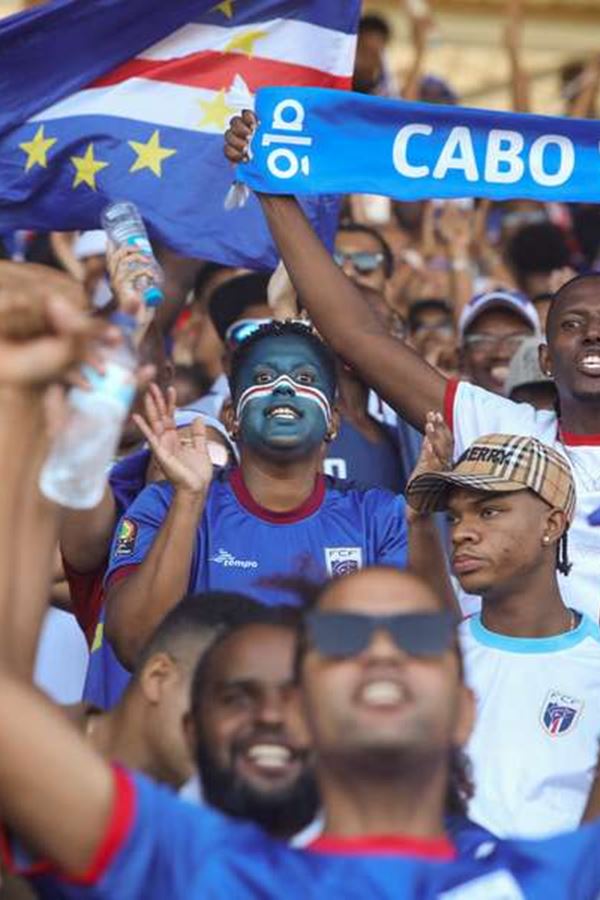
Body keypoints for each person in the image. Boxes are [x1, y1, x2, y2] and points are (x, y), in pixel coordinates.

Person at [5, 561, 600, 897]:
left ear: (464, 711)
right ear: (303, 709)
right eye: (343, 638)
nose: (383, 653)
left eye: (419, 636)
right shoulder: (204, 868)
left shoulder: (559, 881)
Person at [223, 114, 600, 621]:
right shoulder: (504, 432)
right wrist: (273, 192)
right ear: (546, 359)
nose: (594, 334)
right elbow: (358, 335)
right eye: (573, 324)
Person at [104, 320, 409, 669]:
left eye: (306, 379)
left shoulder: (381, 517)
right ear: (232, 418)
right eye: (263, 378)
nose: (284, 389)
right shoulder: (162, 503)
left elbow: (402, 651)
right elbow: (135, 644)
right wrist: (188, 498)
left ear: (333, 423)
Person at [408, 427, 600, 838]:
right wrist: (419, 521)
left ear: (552, 524)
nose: (461, 532)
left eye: (489, 511)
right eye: (454, 516)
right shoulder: (437, 661)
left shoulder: (595, 666)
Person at [186, 597, 318, 840]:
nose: (270, 716)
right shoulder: (137, 855)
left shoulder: (385, 867)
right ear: (191, 729)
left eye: (299, 702)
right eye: (238, 699)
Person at [457, 288, 541, 395]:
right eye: (484, 341)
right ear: (462, 356)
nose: (501, 354)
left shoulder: (564, 408)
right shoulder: (445, 410)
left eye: (517, 340)